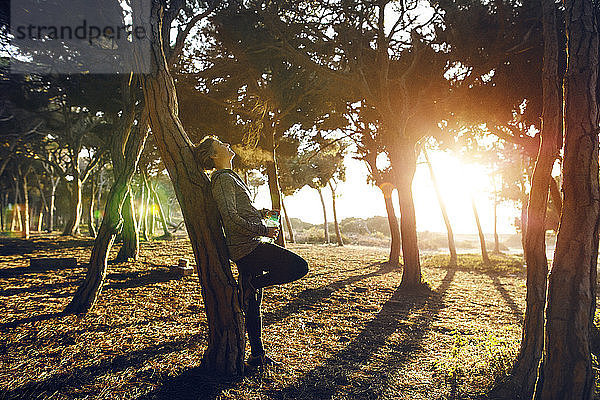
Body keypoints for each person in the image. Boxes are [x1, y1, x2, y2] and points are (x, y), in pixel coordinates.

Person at [193, 136, 309, 367]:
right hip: (248, 248)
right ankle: (252, 286)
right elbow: (230, 218)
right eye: (221, 144)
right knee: (299, 267)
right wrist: (263, 229)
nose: (228, 144)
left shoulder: (228, 178)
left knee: (253, 304)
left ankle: (257, 354)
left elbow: (239, 210)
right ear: (215, 156)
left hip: (247, 246)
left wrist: (261, 213)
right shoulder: (223, 180)